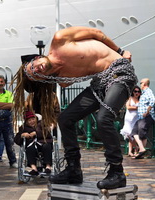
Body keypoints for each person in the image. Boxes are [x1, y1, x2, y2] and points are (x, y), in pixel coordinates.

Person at [12, 26, 138, 189]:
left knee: (103, 118)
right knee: (65, 119)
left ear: (36, 58)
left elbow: (96, 34)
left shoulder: (60, 40)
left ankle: (117, 172)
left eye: (33, 66)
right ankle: (73, 169)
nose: (37, 69)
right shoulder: (63, 79)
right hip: (99, 84)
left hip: (119, 73)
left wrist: (120, 51)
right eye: (35, 74)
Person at [14, 111, 53, 176]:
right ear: (26, 121)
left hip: (43, 143)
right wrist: (22, 135)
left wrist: (36, 133)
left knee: (47, 146)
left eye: (33, 119)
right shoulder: (23, 128)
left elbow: (48, 134)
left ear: (36, 118)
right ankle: (34, 169)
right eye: (29, 120)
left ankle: (48, 167)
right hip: (31, 144)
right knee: (29, 149)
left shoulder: (41, 124)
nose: (32, 121)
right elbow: (16, 139)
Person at [131, 78, 155, 159]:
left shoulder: (148, 91)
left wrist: (147, 112)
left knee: (142, 133)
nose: (140, 84)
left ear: (144, 84)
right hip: (140, 117)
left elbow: (152, 100)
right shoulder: (143, 93)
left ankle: (141, 152)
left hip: (146, 117)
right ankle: (142, 149)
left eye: (141, 83)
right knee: (134, 132)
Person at [120, 86, 141, 157]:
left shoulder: (140, 100)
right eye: (135, 91)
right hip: (129, 119)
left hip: (136, 119)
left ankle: (132, 151)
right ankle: (135, 149)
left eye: (138, 92)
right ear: (133, 92)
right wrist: (137, 108)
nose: (137, 93)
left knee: (134, 135)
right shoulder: (130, 98)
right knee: (129, 134)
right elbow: (128, 107)